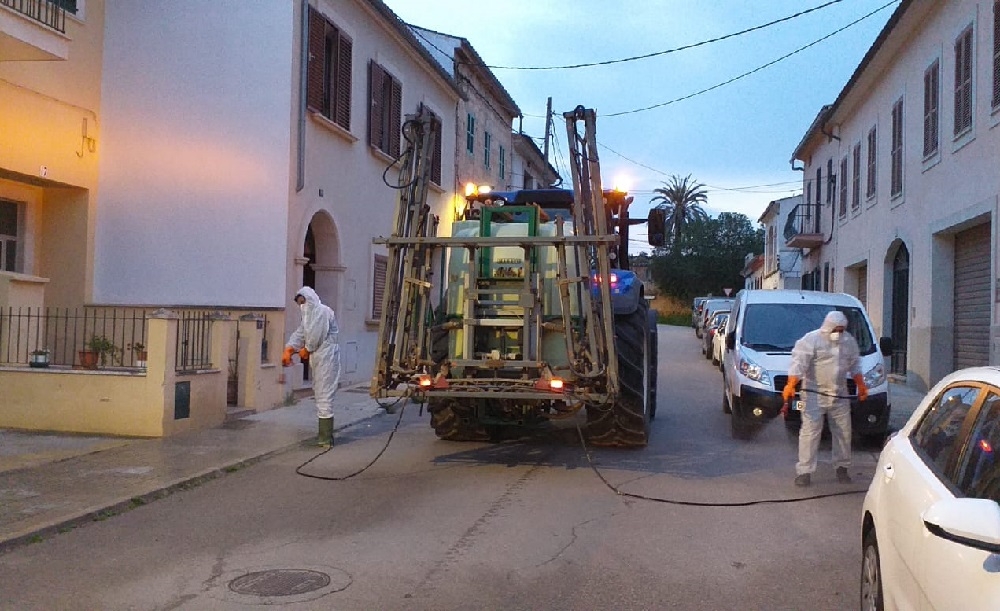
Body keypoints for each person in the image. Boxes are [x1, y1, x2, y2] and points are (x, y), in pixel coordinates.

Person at [782, 310, 868, 487]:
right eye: (836, 329)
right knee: (810, 432)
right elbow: (799, 363)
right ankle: (804, 471)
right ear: (827, 327)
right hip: (814, 392)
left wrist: (861, 385)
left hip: (839, 393)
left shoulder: (848, 341)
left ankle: (842, 467)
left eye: (841, 329)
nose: (839, 333)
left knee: (843, 432)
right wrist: (791, 384)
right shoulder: (812, 340)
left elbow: (855, 364)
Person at [282, 286, 341, 447]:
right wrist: (290, 348)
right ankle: (324, 436)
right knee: (320, 393)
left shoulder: (322, 312)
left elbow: (315, 337)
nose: (302, 306)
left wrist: (306, 350)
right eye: (300, 303)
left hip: (327, 358)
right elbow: (302, 333)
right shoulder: (309, 316)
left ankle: (325, 438)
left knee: (324, 395)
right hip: (319, 358)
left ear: (310, 299)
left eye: (303, 302)